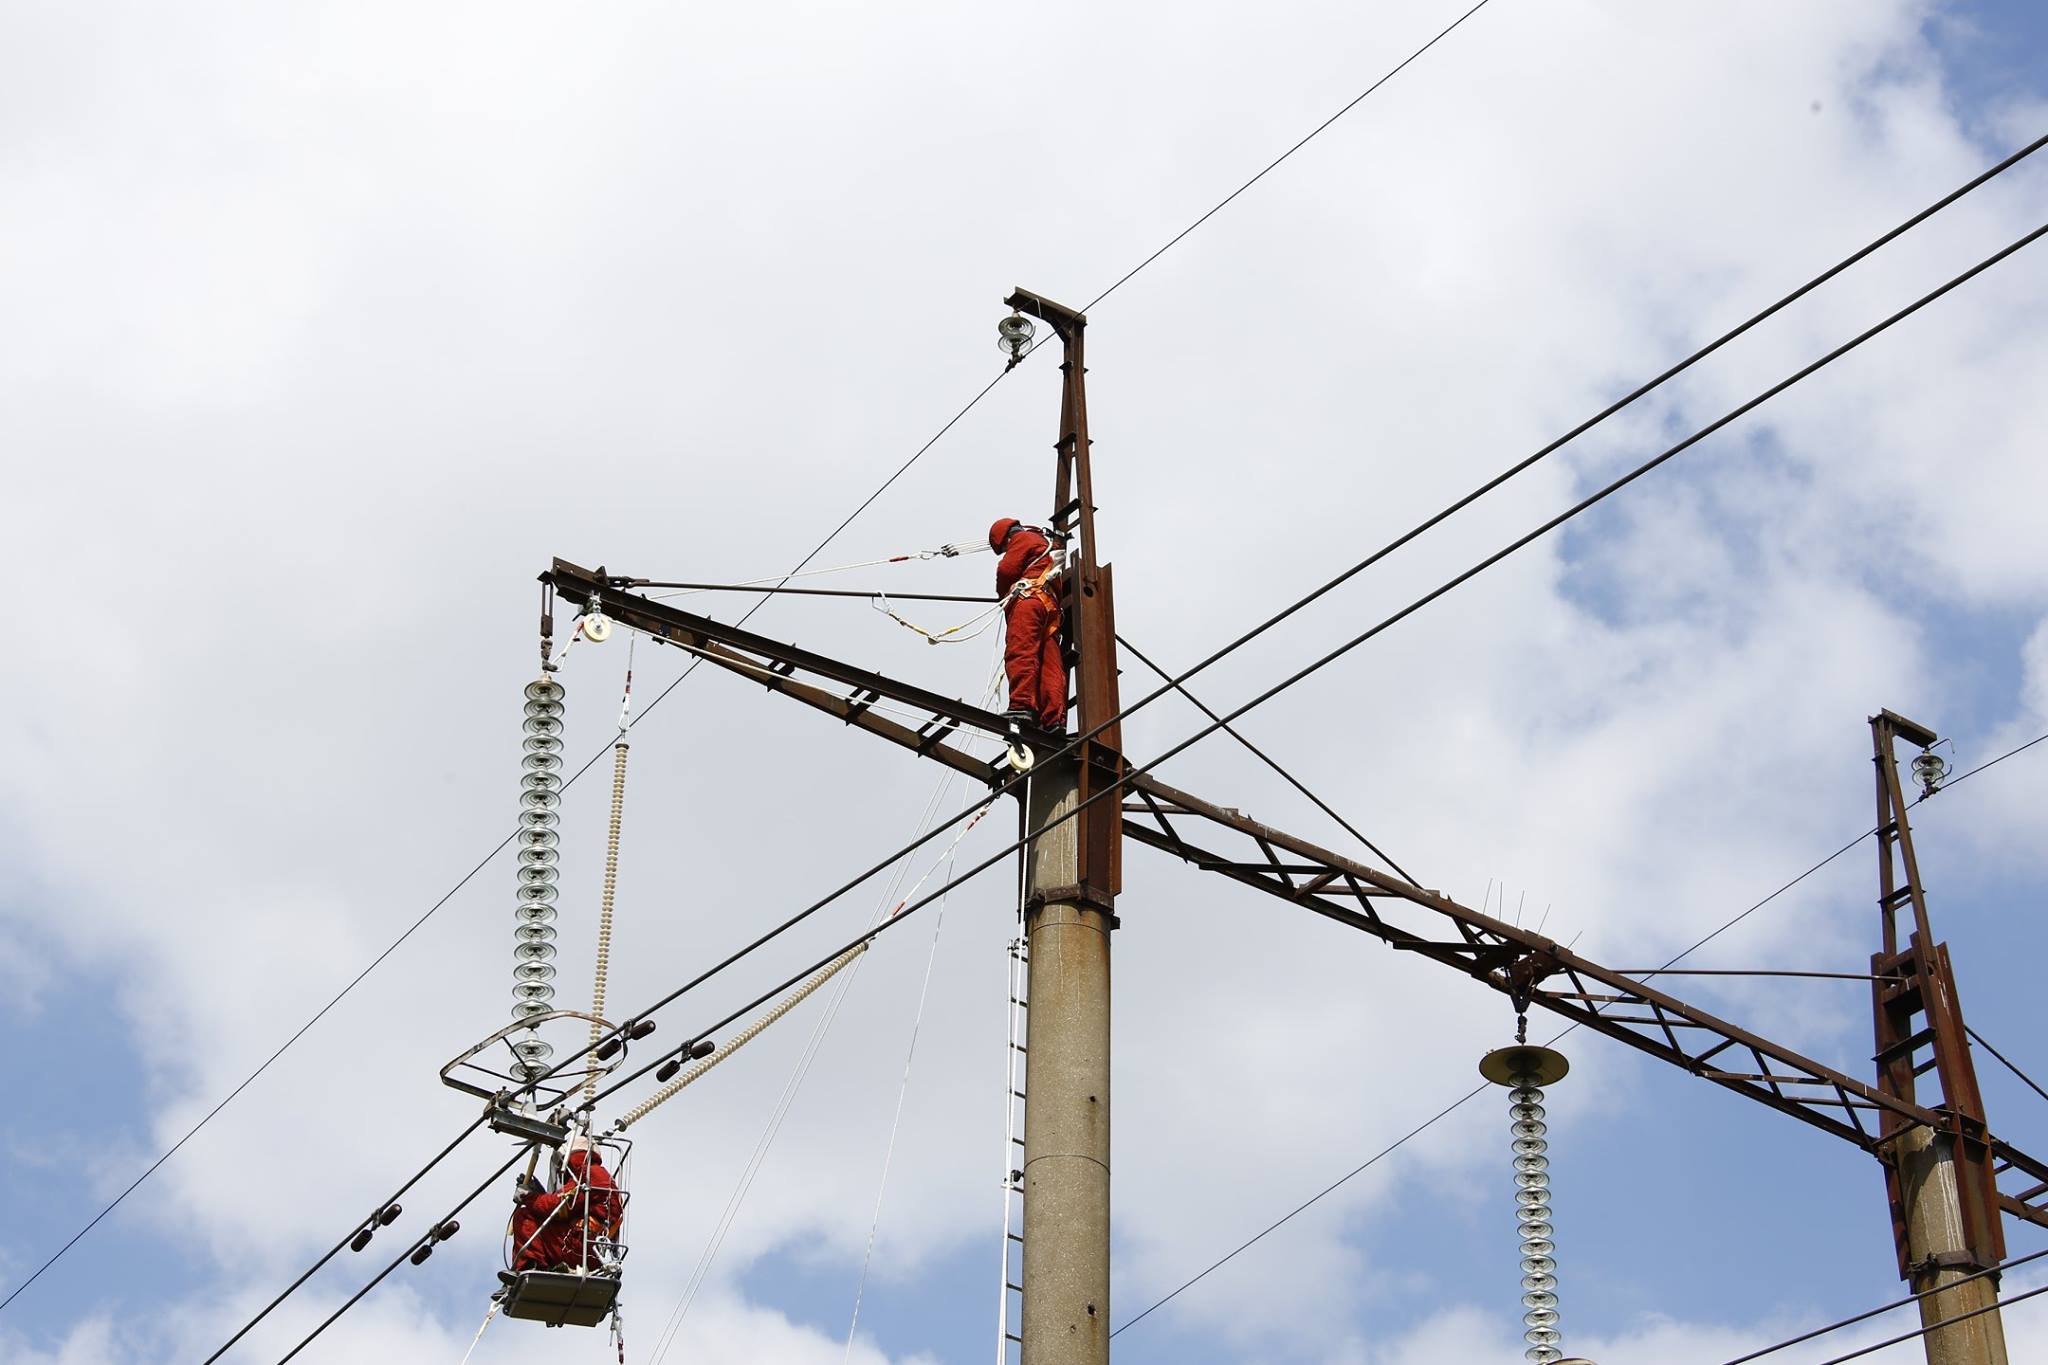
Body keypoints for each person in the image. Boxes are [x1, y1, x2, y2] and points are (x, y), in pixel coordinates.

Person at [989, 518, 1066, 732]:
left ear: (1006, 538)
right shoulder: (1045, 544)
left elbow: (1007, 570)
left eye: (1004, 547)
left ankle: (1021, 705)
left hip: (1029, 601)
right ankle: (1054, 719)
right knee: (1050, 662)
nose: (1006, 550)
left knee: (1021, 651)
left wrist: (1003, 596)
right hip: (1049, 608)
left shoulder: (1022, 539)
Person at [510, 1143, 623, 1273]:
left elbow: (557, 1205)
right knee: (540, 1217)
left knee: (524, 1216)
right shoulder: (601, 1176)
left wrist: (528, 1197)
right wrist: (538, 1194)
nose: (559, 1170)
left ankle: (529, 1266)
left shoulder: (586, 1173)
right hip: (595, 1251)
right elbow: (568, 1207)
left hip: (578, 1246)